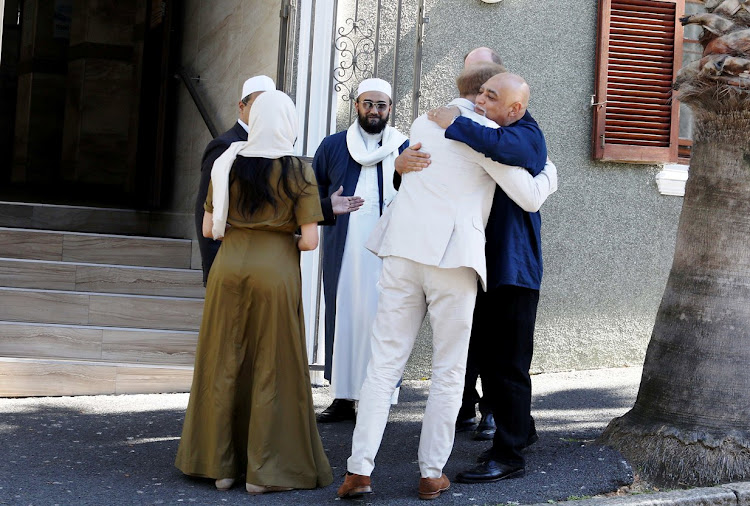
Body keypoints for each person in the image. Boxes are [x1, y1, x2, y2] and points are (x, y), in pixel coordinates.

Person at [337, 65, 555, 500]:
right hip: (451, 261)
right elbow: (529, 195)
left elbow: (410, 171)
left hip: (401, 252)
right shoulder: (479, 136)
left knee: (383, 367)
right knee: (449, 369)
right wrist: (550, 169)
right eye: (488, 95)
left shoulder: (422, 122)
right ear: (481, 95)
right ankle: (430, 473)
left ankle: (359, 472)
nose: (486, 104)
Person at [175, 90, 333, 494]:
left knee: (222, 361)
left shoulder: (227, 163)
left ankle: (221, 468)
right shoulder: (298, 170)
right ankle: (264, 473)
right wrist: (284, 235)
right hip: (275, 270)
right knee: (272, 365)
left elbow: (211, 229)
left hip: (229, 267)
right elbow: (310, 241)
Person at [428, 72, 552, 483]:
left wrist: (454, 123)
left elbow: (505, 148)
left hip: (513, 273)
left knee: (508, 367)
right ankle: (522, 431)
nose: (479, 100)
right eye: (479, 92)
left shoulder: (526, 136)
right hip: (484, 268)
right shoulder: (490, 130)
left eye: (490, 96)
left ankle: (510, 456)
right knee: (487, 361)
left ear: (515, 109)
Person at [312, 78, 409, 423]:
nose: (374, 111)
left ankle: (379, 394)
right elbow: (313, 191)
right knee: (345, 314)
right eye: (368, 103)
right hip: (346, 246)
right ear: (356, 105)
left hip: (387, 248)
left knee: (383, 317)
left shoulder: (403, 146)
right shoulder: (333, 145)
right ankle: (342, 396)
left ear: (390, 109)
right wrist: (327, 205)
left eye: (381, 105)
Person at [194, 75, 275, 285]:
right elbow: (206, 210)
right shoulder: (223, 146)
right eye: (258, 105)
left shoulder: (271, 146)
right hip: (228, 263)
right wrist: (212, 268)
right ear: (242, 105)